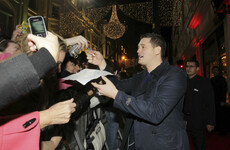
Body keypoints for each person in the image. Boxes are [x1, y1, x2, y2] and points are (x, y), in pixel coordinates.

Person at [87, 32, 190, 150]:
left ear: (157, 50)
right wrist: (102, 63)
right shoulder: (143, 76)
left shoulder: (175, 75)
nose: (138, 51)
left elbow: (156, 112)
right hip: (138, 141)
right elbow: (118, 85)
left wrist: (117, 95)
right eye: (138, 47)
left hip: (163, 144)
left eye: (143, 47)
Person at [183, 60, 216, 150]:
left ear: (197, 69)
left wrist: (211, 121)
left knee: (199, 145)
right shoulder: (182, 82)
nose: (188, 68)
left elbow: (210, 102)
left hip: (198, 121)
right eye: (187, 66)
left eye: (191, 66)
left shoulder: (204, 82)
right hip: (183, 121)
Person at [211, 66, 227, 135]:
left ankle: (222, 130)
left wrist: (223, 100)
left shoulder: (222, 79)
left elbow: (224, 90)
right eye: (214, 70)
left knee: (221, 116)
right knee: (215, 115)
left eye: (216, 70)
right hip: (214, 100)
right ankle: (216, 128)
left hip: (220, 100)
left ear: (218, 71)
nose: (215, 71)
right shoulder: (211, 79)